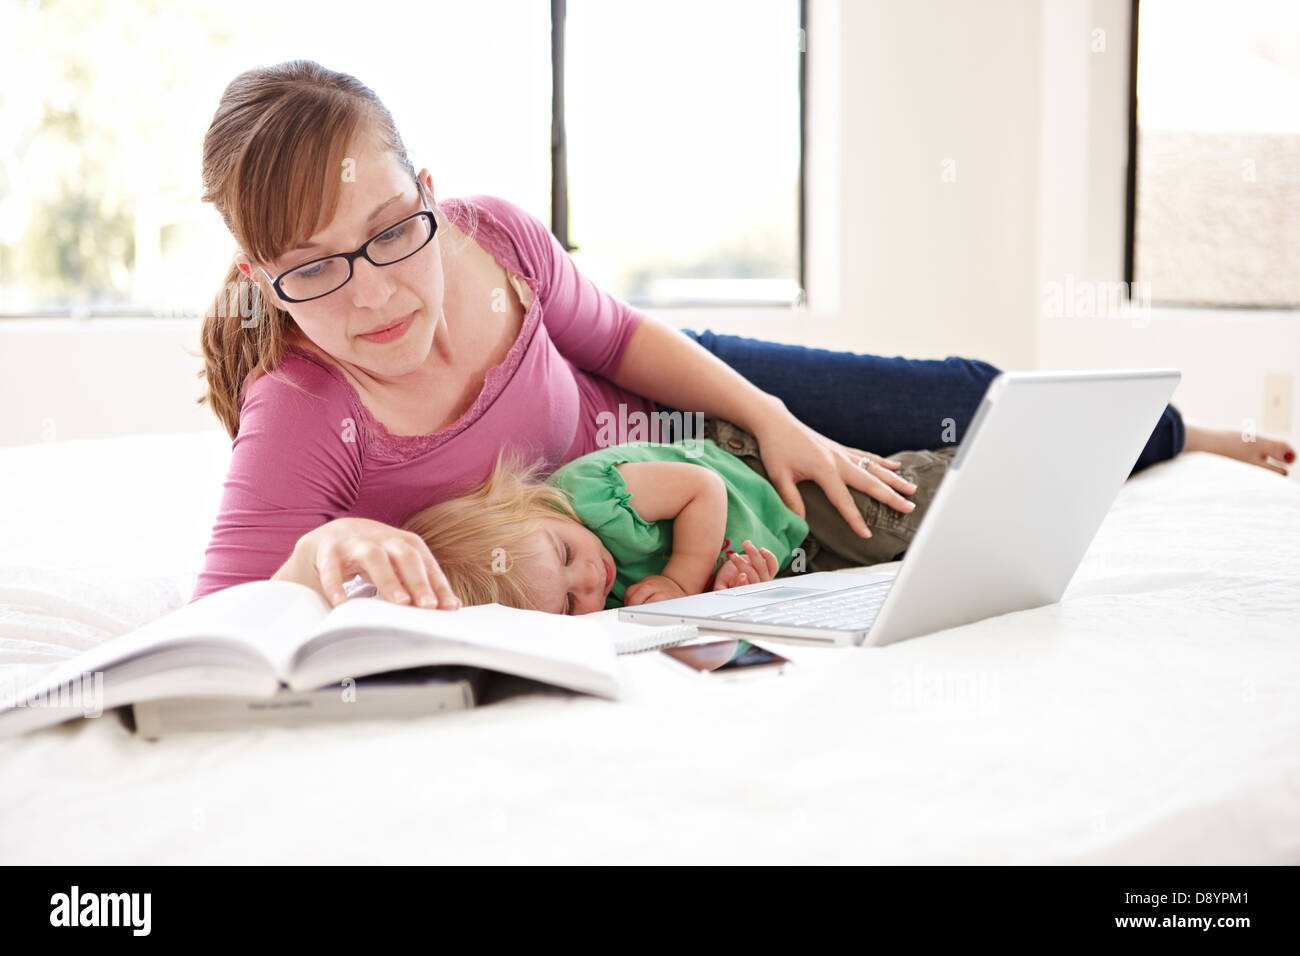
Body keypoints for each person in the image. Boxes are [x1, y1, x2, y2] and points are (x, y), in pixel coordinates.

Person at [193, 60, 1295, 611]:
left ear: (426, 192)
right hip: (649, 492)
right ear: (262, 279)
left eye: (393, 231)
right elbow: (214, 621)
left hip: (682, 410)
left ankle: (1177, 430)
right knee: (910, 495)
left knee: (962, 391)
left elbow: (621, 336)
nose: (375, 293)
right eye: (314, 268)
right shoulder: (306, 415)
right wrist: (309, 557)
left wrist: (771, 417)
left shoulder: (492, 238)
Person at [366, 417, 956, 615]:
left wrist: (681, 579)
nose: (590, 580)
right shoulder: (606, 611)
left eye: (564, 556)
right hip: (785, 548)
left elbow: (702, 491)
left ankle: (974, 460)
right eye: (570, 603)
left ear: (524, 504)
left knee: (890, 522)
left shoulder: (590, 494)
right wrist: (725, 588)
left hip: (767, 486)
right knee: (888, 577)